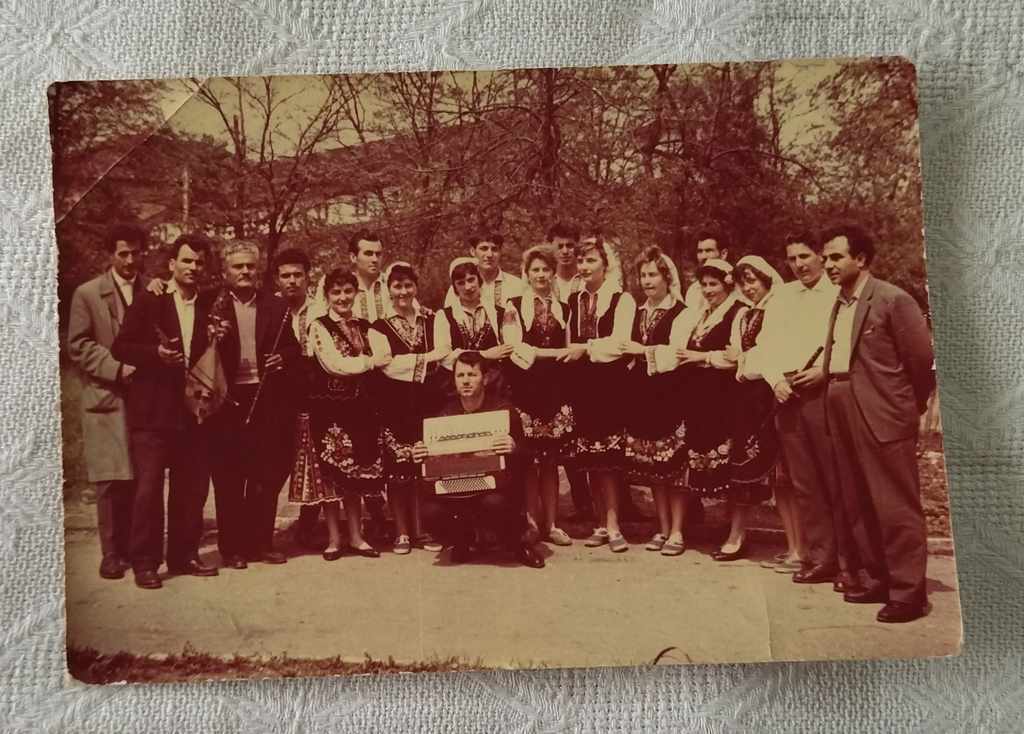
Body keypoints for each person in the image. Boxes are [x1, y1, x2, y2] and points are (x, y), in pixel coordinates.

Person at [821, 225, 935, 623]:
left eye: (836, 257)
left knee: (895, 503)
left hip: (883, 411)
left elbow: (921, 363)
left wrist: (908, 407)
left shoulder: (892, 299)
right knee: (857, 500)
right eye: (826, 258)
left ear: (861, 259)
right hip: (841, 404)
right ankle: (878, 579)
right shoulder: (840, 303)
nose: (828, 264)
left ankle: (910, 593)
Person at [111, 235, 219, 589]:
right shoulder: (150, 299)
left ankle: (184, 555)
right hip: (153, 412)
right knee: (149, 490)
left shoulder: (207, 305)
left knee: (191, 488)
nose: (193, 268)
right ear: (172, 264)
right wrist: (155, 354)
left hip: (194, 412)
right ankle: (145, 562)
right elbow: (121, 347)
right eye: (186, 261)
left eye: (199, 262)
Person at [756, 234, 852, 587]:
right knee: (804, 483)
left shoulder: (838, 293)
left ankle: (848, 563)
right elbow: (765, 345)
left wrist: (825, 370)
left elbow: (847, 343)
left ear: (820, 257)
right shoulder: (782, 296)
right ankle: (819, 558)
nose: (799, 265)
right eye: (792, 258)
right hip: (787, 395)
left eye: (805, 256)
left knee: (835, 478)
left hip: (825, 394)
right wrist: (775, 380)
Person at [205, 241, 301, 570]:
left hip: (264, 399)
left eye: (249, 266)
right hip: (226, 400)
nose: (245, 272)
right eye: (237, 267)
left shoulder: (275, 306)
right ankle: (232, 548)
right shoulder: (210, 303)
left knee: (265, 475)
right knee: (230, 478)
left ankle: (262, 543)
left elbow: (293, 349)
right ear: (224, 271)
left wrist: (282, 358)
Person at [293, 268, 391, 560]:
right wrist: (370, 361)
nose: (343, 297)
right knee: (333, 475)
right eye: (336, 292)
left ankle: (357, 537)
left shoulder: (365, 325)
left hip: (359, 409)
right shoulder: (318, 326)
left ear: (356, 294)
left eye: (348, 291)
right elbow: (334, 364)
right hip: (329, 408)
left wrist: (374, 361)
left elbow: (385, 357)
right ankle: (334, 539)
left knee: (356, 474)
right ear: (327, 296)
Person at [414, 351, 544, 568]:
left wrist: (514, 448)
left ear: (485, 378)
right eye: (460, 375)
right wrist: (422, 454)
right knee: (429, 512)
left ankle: (517, 544)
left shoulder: (503, 410)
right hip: (456, 487)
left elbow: (528, 455)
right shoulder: (445, 415)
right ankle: (463, 540)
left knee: (494, 503)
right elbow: (434, 462)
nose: (465, 381)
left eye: (472, 375)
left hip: (495, 487)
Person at [66, 223, 144, 580]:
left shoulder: (151, 290)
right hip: (105, 395)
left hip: (144, 397)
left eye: (135, 252)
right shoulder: (87, 294)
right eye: (122, 253)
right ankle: (111, 554)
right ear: (110, 255)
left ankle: (137, 547)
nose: (130, 260)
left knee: (141, 476)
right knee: (111, 479)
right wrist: (116, 369)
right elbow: (78, 345)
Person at [367, 262, 447, 554]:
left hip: (427, 400)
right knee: (398, 470)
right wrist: (426, 359)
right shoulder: (378, 326)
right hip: (394, 404)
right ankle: (401, 531)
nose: (403, 291)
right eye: (397, 286)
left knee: (422, 466)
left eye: (408, 285)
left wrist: (411, 361)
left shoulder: (432, 318)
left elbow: (444, 351)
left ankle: (422, 529)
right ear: (388, 290)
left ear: (416, 286)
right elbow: (385, 364)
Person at [564, 234, 636, 553]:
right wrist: (577, 351)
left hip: (610, 385)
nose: (584, 266)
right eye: (581, 260)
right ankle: (598, 523)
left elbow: (619, 345)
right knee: (589, 458)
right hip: (582, 385)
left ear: (606, 265)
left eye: (591, 260)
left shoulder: (622, 300)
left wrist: (586, 348)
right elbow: (569, 341)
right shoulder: (574, 300)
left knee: (608, 460)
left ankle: (613, 524)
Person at [714, 255, 785, 561]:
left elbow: (769, 354)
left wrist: (744, 359)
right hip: (744, 395)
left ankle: (799, 544)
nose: (749, 287)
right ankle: (737, 533)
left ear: (767, 280)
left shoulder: (777, 311)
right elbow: (732, 356)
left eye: (753, 281)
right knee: (741, 464)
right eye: (744, 282)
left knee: (783, 472)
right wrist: (744, 359)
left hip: (771, 393)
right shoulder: (744, 316)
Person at [503, 245, 575, 547]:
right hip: (526, 393)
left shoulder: (564, 308)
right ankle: (531, 521)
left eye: (546, 269)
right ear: (526, 273)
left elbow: (571, 351)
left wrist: (562, 355)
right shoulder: (513, 306)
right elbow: (518, 349)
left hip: (555, 393)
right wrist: (556, 353)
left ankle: (552, 524)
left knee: (551, 462)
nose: (541, 275)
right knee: (529, 461)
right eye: (535, 270)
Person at [621, 246, 690, 557]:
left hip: (671, 396)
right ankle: (662, 527)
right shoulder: (638, 311)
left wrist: (638, 350)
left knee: (673, 466)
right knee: (653, 468)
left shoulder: (682, 312)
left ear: (666, 277)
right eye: (643, 275)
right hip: (642, 396)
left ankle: (677, 530)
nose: (647, 281)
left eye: (653, 274)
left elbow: (673, 355)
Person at [675, 259, 745, 523]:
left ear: (727, 285)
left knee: (729, 463)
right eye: (703, 284)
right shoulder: (702, 314)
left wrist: (701, 357)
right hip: (699, 397)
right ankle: (695, 522)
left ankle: (734, 529)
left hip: (724, 396)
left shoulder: (738, 312)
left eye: (713, 284)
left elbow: (734, 358)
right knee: (695, 457)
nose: (708, 290)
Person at [271, 247, 325, 551]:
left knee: (313, 458)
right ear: (277, 280)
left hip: (314, 389)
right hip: (278, 393)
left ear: (308, 277)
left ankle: (307, 525)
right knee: (278, 460)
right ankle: (262, 525)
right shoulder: (271, 309)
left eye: (297, 275)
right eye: (285, 276)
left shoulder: (320, 310)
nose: (292, 281)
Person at [546, 222, 593, 522]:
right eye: (559, 245)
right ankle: (577, 501)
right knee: (560, 434)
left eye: (569, 246)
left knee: (587, 431)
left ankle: (601, 503)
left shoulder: (585, 279)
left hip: (582, 364)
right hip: (550, 366)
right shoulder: (542, 279)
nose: (565, 251)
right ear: (550, 245)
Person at [433, 257, 514, 399]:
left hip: (494, 385)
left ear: (479, 281)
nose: (467, 287)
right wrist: (485, 354)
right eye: (460, 283)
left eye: (471, 280)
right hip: (456, 388)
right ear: (455, 288)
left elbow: (507, 349)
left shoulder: (499, 313)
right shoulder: (444, 316)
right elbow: (444, 357)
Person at [444, 234, 525, 310]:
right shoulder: (460, 288)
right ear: (472, 251)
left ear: (500, 252)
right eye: (484, 249)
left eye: (494, 249)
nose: (489, 254)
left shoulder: (516, 286)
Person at [684, 231, 730, 312]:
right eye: (700, 251)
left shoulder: (737, 284)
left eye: (709, 251)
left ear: (723, 254)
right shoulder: (694, 289)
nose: (703, 256)